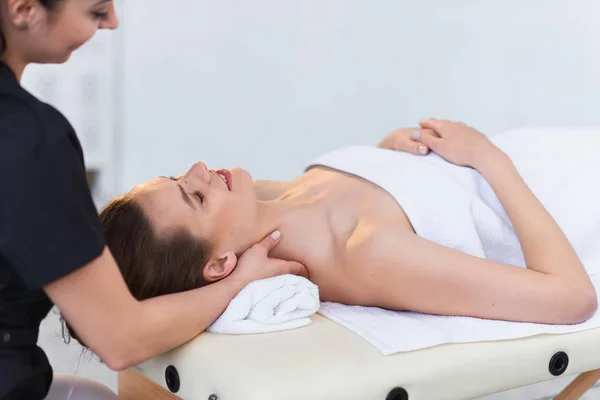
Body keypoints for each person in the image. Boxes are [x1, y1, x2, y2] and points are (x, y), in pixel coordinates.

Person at [0, 1, 305, 399]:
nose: (112, 21)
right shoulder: (31, 141)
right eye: (96, 11)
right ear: (23, 9)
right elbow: (121, 340)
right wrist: (241, 281)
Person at [75, 120, 597, 347]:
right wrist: (487, 157)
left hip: (553, 152)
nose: (198, 170)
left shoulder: (270, 199)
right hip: (574, 196)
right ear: (219, 266)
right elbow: (571, 298)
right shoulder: (364, 253)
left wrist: (389, 155)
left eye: (175, 180)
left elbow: (385, 192)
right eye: (195, 197)